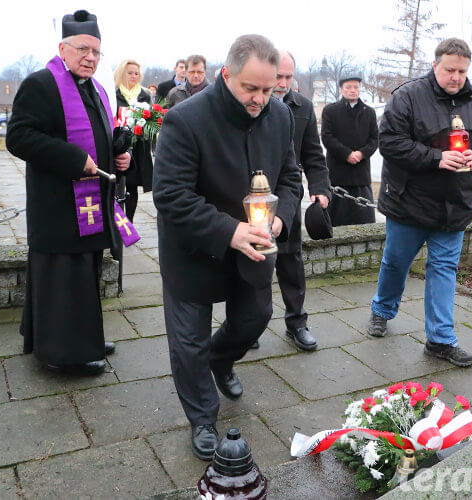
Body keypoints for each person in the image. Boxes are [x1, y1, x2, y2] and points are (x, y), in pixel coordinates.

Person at [153, 34, 300, 460]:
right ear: (226, 74)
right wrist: (231, 231)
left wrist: (280, 217)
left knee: (255, 317)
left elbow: (290, 178)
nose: (259, 100)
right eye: (249, 88)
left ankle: (222, 360)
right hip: (194, 248)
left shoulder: (280, 117)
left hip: (255, 244)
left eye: (268, 90)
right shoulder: (185, 119)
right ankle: (202, 416)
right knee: (189, 342)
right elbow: (171, 196)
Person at [6, 10, 131, 376]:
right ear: (63, 48)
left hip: (88, 204)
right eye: (82, 49)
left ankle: (84, 339)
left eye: (96, 51)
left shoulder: (95, 89)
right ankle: (64, 355)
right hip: (58, 205)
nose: (90, 57)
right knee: (63, 279)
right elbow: (19, 137)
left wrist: (119, 151)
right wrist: (74, 159)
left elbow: (100, 136)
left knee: (84, 274)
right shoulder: (41, 84)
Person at [369, 38, 472, 367]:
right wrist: (435, 158)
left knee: (443, 269)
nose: (456, 77)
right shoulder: (408, 96)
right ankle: (382, 310)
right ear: (435, 66)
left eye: (461, 71)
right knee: (396, 263)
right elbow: (389, 142)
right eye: (449, 70)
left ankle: (440, 340)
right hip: (410, 203)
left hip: (456, 203)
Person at [268, 50, 330, 351]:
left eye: (288, 77)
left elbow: (314, 156)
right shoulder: (251, 101)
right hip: (251, 199)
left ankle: (297, 323)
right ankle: (245, 324)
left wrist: (320, 188)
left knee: (291, 262)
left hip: (288, 195)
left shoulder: (302, 106)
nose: (282, 83)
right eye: (277, 76)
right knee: (249, 264)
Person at [320, 75, 378, 226]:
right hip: (338, 174)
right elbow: (327, 137)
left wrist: (361, 153)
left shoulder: (369, 112)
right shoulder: (330, 111)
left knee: (364, 221)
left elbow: (374, 139)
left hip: (361, 175)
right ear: (341, 90)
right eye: (348, 87)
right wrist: (346, 154)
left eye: (356, 87)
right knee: (336, 221)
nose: (352, 90)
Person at [114, 59, 154, 221]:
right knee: (116, 185)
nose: (133, 76)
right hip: (118, 146)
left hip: (138, 147)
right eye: (129, 72)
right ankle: (115, 221)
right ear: (122, 74)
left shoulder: (144, 95)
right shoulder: (114, 93)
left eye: (136, 73)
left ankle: (128, 222)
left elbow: (151, 120)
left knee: (132, 186)